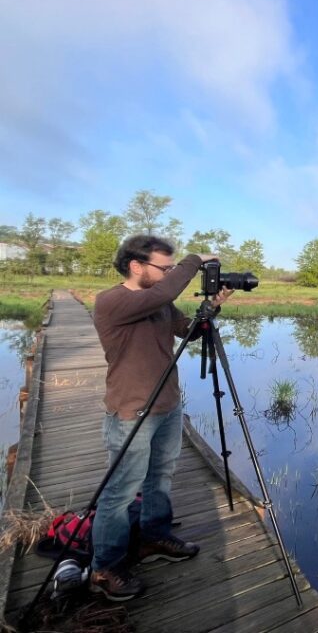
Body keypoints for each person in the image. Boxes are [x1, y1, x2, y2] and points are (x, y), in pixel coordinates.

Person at [89, 235, 232, 601]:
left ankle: (154, 536)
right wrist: (194, 259)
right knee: (119, 493)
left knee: (160, 477)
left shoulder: (159, 305)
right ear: (136, 266)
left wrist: (212, 308)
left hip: (167, 405)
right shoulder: (112, 302)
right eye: (163, 267)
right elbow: (163, 294)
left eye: (171, 268)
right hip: (130, 409)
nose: (169, 273)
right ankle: (105, 568)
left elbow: (190, 330)